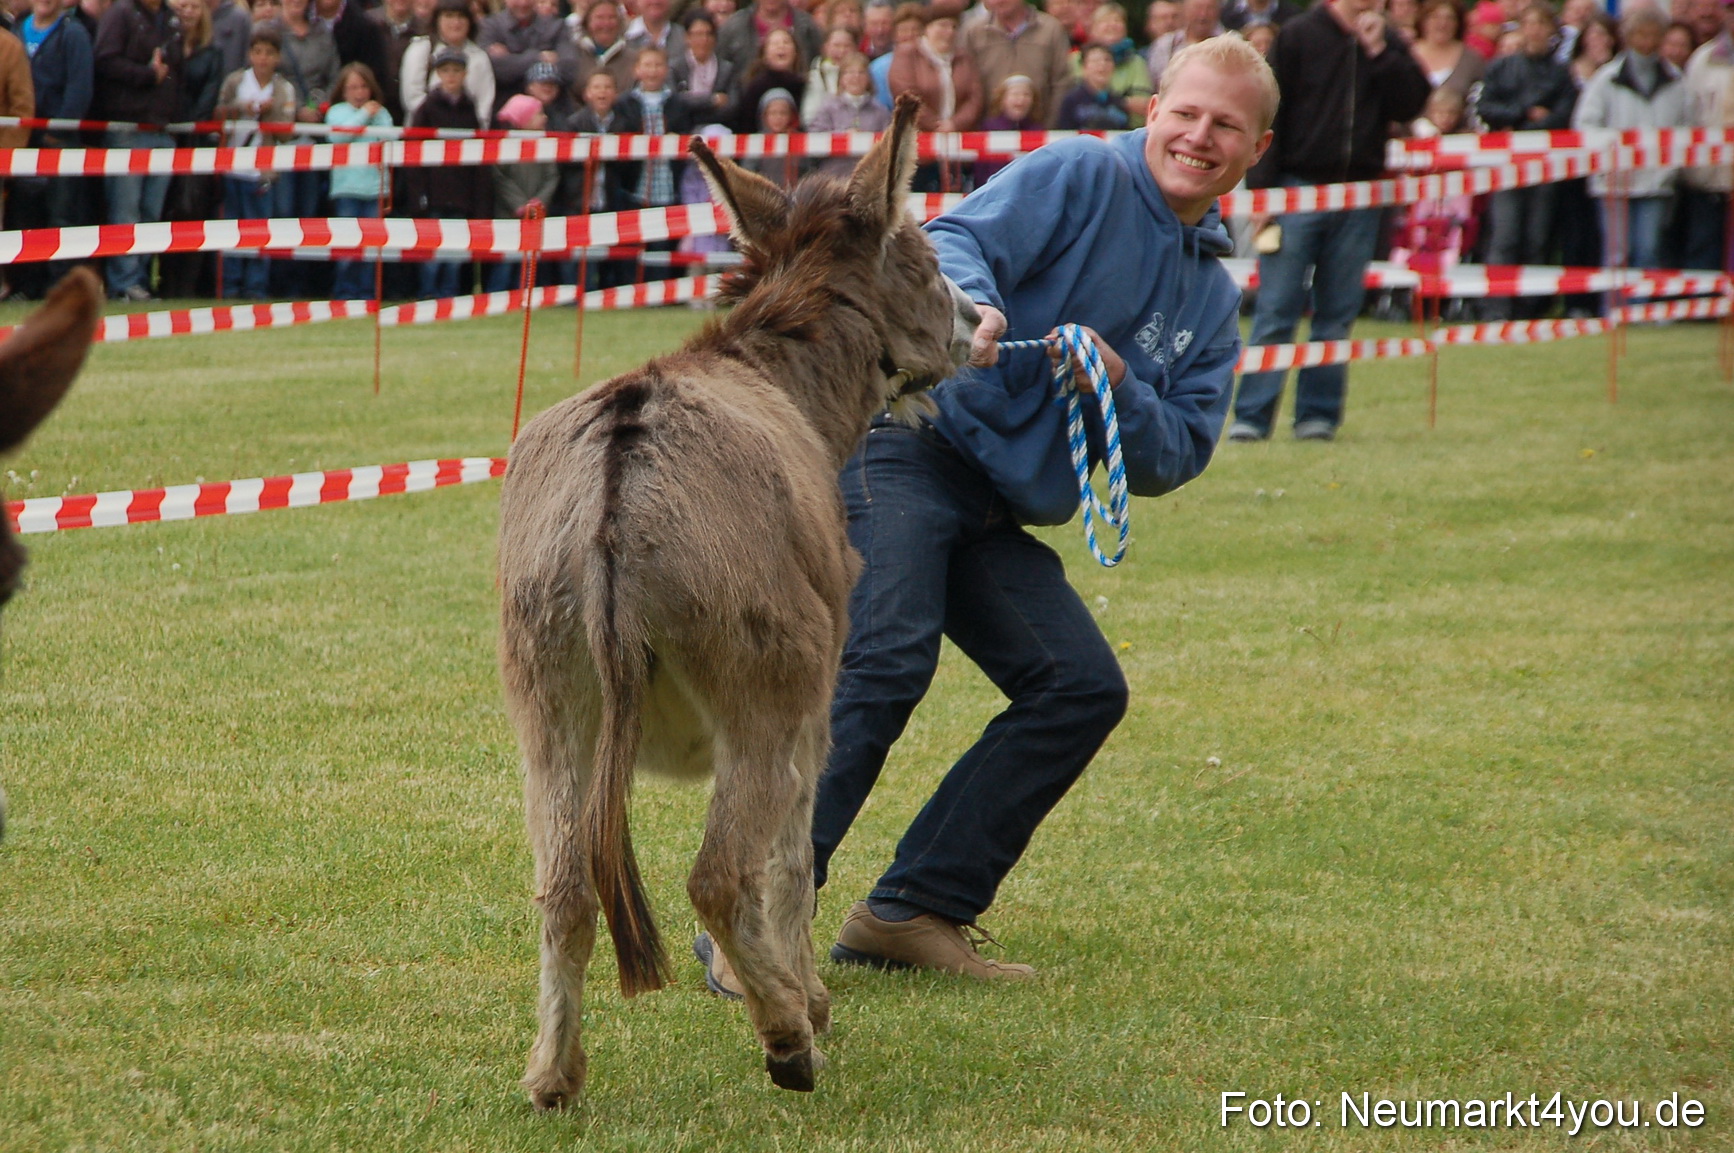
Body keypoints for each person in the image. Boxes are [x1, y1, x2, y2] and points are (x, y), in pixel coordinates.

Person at [699, 35, 1276, 989]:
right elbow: (953, 239)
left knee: (1079, 686)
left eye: (1227, 125)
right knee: (884, 655)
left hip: (993, 504)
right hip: (909, 442)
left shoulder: (1213, 294)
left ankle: (912, 909)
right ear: (1153, 109)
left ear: (1257, 147)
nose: (1199, 136)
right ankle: (753, 917)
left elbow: (1179, 449)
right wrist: (972, 303)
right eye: (1187, 112)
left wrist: (1120, 385)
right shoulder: (1079, 171)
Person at [1227, 0, 1428, 443]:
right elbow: (1268, 113)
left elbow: (1413, 102)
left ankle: (1317, 418)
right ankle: (1252, 418)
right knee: (1277, 309)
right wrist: (1264, 195)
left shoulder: (1386, 39)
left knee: (1336, 314)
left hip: (1359, 195)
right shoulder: (1298, 35)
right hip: (1297, 190)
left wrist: (1380, 52)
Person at [1573, 3, 1688, 279]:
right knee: (1616, 253)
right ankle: (1615, 312)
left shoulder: (1676, 80)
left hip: (1656, 181)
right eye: (1640, 34)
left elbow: (1686, 129)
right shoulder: (1606, 79)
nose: (1646, 42)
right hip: (1614, 182)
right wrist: (1611, 156)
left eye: (1653, 35)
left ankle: (1642, 312)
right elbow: (1585, 125)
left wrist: (1669, 168)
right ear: (1627, 36)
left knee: (1649, 249)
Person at [1478, 1, 1575, 319]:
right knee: (1505, 235)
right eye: (1528, 24)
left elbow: (1563, 117)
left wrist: (1527, 125)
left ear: (1551, 31)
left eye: (1540, 24)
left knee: (1537, 236)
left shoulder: (1561, 74)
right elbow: (1486, 108)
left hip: (1545, 164)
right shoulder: (1501, 67)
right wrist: (1523, 114)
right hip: (1507, 163)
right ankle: (1497, 307)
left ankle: (1530, 308)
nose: (1534, 31)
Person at [93, 0, 181, 302]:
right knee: (125, 209)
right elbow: (104, 60)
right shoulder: (121, 13)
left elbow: (175, 68)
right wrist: (145, 75)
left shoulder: (170, 18)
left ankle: (141, 278)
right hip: (127, 128)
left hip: (161, 129)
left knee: (151, 212)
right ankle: (123, 282)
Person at [7, 0, 89, 302]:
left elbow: (79, 91)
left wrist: (58, 132)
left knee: (61, 216)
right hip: (24, 142)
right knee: (25, 216)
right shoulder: (17, 30)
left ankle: (58, 288)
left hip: (57, 144)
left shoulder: (73, 34)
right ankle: (26, 286)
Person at [215, 27, 298, 300]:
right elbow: (217, 115)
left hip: (264, 169)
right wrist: (242, 108)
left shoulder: (284, 89)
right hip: (234, 165)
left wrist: (269, 112)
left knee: (259, 228)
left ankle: (256, 287)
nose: (263, 59)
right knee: (231, 227)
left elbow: (287, 132)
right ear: (250, 54)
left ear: (277, 57)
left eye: (269, 53)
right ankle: (230, 286)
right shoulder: (236, 81)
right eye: (258, 52)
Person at [402, 45, 490, 299]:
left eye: (456, 70)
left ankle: (449, 296)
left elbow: (477, 157)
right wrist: (419, 193)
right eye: (446, 70)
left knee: (454, 252)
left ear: (465, 74)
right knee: (432, 251)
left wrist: (477, 197)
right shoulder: (427, 108)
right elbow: (414, 155)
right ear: (438, 74)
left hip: (461, 193)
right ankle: (428, 294)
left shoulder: (470, 109)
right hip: (434, 193)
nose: (451, 76)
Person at [326, 61, 394, 300]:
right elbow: (338, 137)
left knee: (371, 248)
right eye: (353, 87)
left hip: (375, 189)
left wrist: (373, 116)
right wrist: (364, 114)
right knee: (347, 245)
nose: (359, 93)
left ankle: (367, 293)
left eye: (363, 87)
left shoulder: (382, 113)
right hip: (347, 190)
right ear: (343, 91)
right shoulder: (337, 112)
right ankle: (344, 292)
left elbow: (390, 142)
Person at [1679, 0, 1734, 270]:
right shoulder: (1703, 59)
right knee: (1704, 242)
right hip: (1710, 173)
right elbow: (1690, 113)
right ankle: (1700, 302)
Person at [486, 91, 557, 291]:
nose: (544, 118)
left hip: (535, 215)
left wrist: (538, 202)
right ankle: (497, 293)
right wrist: (519, 204)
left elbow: (552, 176)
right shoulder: (505, 147)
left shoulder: (545, 145)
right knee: (506, 260)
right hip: (508, 215)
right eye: (538, 114)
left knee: (529, 260)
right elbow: (500, 179)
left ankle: (524, 294)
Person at [962, 0, 1071, 127]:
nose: (997, 2)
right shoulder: (973, 32)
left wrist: (1050, 126)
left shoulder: (1051, 29)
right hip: (987, 132)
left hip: (1040, 129)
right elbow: (967, 86)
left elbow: (1062, 82)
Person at [400, 0, 492, 125]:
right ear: (437, 19)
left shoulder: (480, 57)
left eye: (461, 17)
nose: (456, 23)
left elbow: (484, 103)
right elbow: (412, 97)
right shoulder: (421, 48)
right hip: (425, 131)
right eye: (449, 16)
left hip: (467, 134)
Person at [478, 0, 574, 114]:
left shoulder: (557, 26)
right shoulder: (490, 26)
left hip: (551, 111)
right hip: (504, 109)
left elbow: (569, 68)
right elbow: (490, 68)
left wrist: (511, 59)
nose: (523, 3)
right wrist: (538, 58)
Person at [804, 49, 887, 178]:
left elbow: (888, 146)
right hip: (834, 179)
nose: (856, 78)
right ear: (841, 78)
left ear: (869, 78)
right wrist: (842, 137)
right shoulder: (828, 107)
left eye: (861, 73)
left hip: (869, 180)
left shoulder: (879, 111)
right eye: (850, 73)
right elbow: (814, 140)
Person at [1073, 3, 1153, 121]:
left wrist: (1112, 101)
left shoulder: (1136, 63)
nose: (1112, 25)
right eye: (1105, 21)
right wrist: (1123, 101)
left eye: (1117, 21)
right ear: (1093, 29)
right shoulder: (1075, 59)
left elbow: (1145, 105)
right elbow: (1071, 100)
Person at [715, 0, 823, 83]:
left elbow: (819, 64)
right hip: (745, 103)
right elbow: (721, 70)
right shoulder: (733, 27)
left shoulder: (807, 26)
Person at [1410, 0, 1486, 105]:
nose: (1443, 24)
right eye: (1434, 17)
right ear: (1423, 21)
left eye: (1450, 18)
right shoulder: (1407, 56)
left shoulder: (1472, 60)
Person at [670, 9, 736, 127]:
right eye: (698, 34)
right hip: (683, 128)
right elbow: (675, 102)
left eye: (709, 34)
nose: (704, 40)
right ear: (687, 37)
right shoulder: (675, 68)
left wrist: (693, 103)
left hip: (718, 126)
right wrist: (711, 101)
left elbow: (731, 105)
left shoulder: (726, 69)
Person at [971, 71, 1040, 186]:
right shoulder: (989, 128)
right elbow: (981, 169)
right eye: (1015, 94)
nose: (1021, 100)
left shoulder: (1037, 130)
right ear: (1002, 99)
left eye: (1026, 95)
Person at [733, 23, 804, 131]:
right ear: (764, 54)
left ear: (795, 52)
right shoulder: (755, 87)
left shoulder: (803, 85)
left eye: (786, 42)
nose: (781, 46)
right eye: (775, 43)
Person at [568, 0, 636, 101]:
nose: (606, 23)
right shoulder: (573, 53)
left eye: (611, 17)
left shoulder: (633, 58)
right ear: (588, 22)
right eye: (599, 17)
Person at [1147, 0, 1225, 85]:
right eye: (1198, 8)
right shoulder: (1165, 46)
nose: (1203, 14)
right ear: (1184, 10)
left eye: (1209, 8)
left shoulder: (1229, 47)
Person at [1056, 41, 1130, 128]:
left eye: (1107, 60)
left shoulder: (1119, 101)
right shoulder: (1071, 101)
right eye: (1095, 61)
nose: (1102, 65)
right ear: (1084, 67)